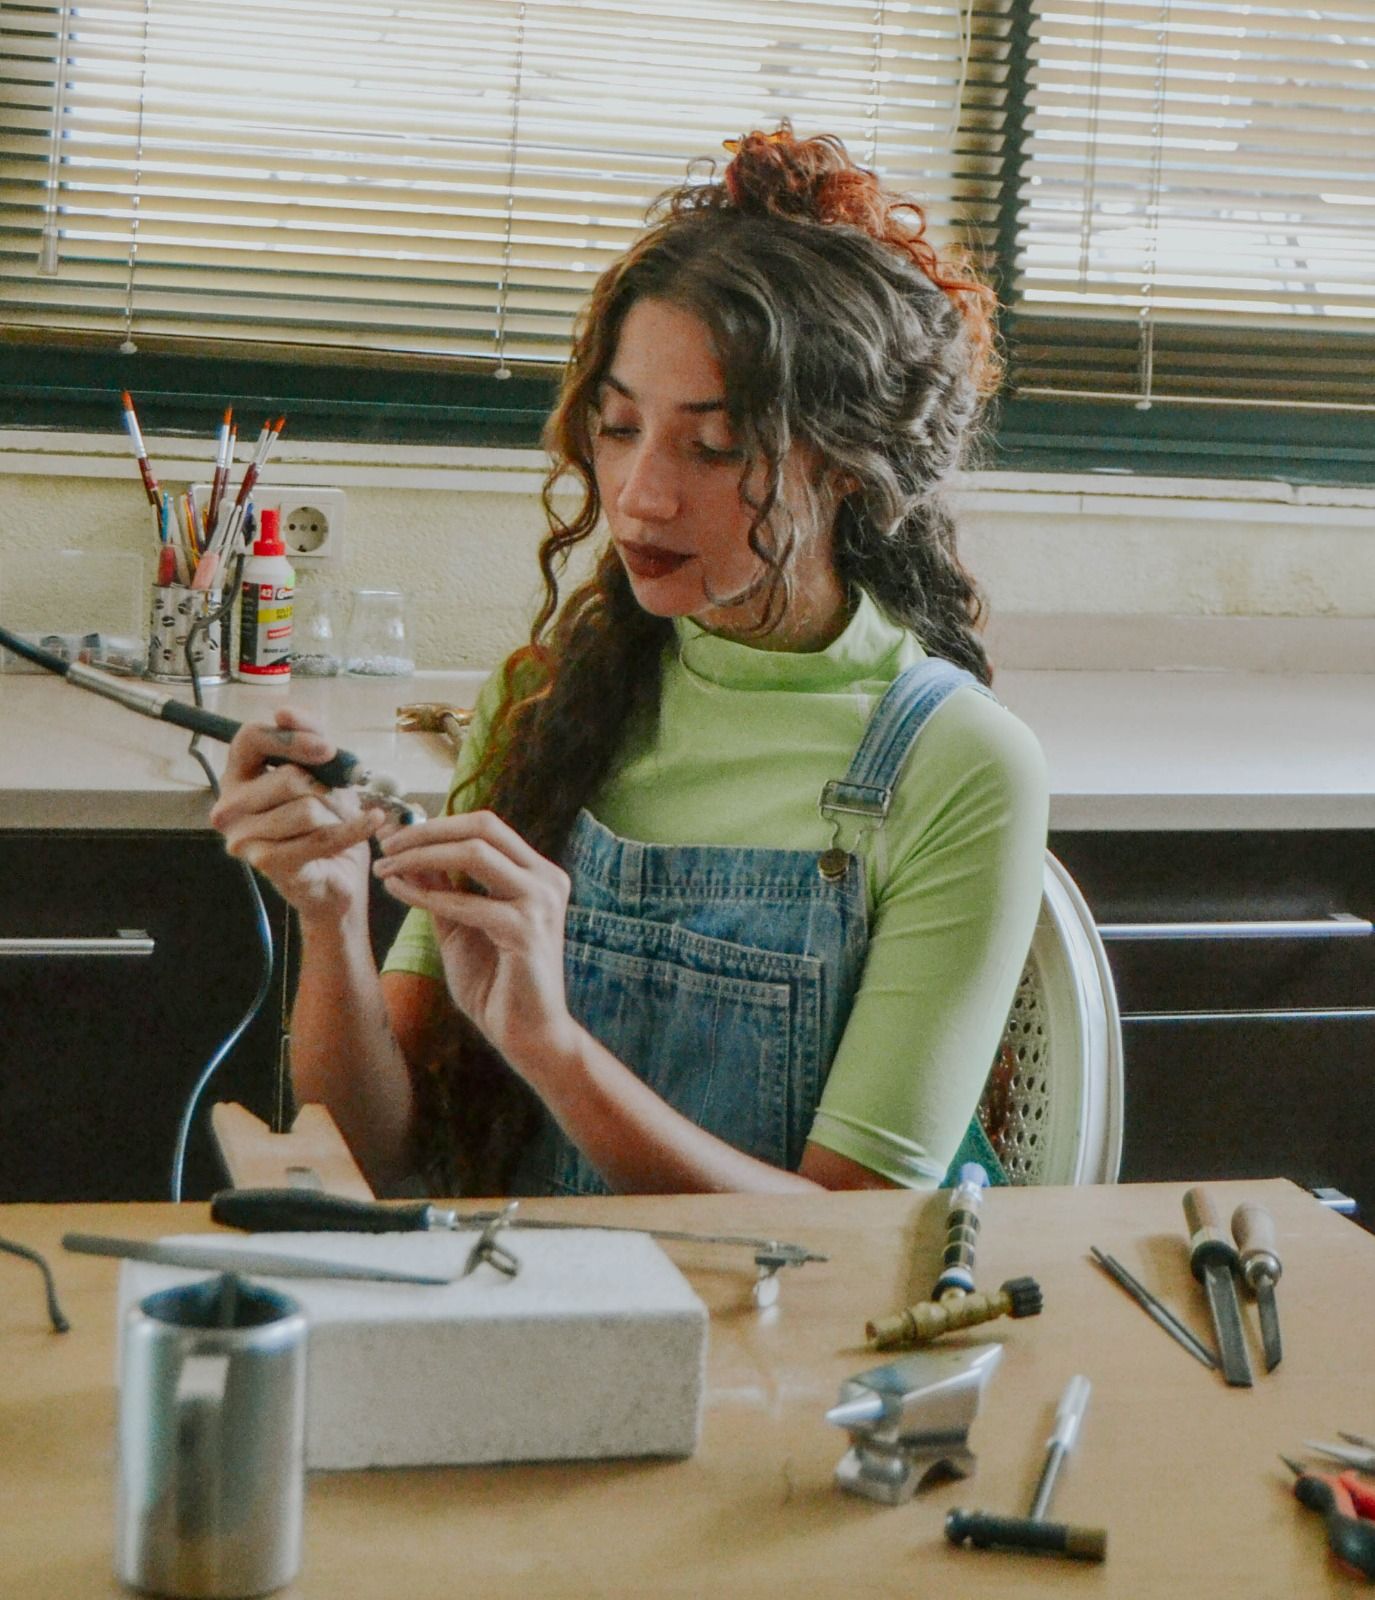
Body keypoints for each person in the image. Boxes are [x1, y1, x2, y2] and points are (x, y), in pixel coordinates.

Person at [209, 125, 1049, 1199]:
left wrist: (554, 1049)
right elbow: (378, 1156)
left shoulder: (960, 765)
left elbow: (853, 1242)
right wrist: (327, 916)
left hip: (776, 1354)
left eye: (713, 445)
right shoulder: (549, 701)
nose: (641, 494)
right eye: (615, 426)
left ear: (846, 466)